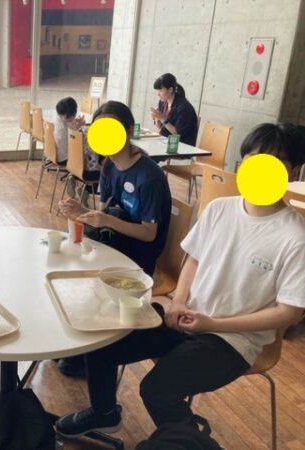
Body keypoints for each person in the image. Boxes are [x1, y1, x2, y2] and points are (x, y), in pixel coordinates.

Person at [55, 122, 305, 439]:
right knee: (102, 339)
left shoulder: (294, 236)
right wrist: (178, 302)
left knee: (157, 390)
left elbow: (289, 313)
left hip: (233, 340)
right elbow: (193, 259)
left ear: (293, 172)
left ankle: (192, 443)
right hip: (186, 318)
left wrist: (212, 323)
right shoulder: (220, 209)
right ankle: (104, 413)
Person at [57, 101, 172, 377]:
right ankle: (82, 345)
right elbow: (106, 212)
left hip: (138, 257)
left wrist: (106, 221)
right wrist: (82, 212)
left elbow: (149, 234)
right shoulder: (109, 166)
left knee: (83, 274)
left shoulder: (149, 177)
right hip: (114, 245)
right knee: (66, 264)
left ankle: (94, 349)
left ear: (129, 131)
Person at [150, 73, 199, 146]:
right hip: (166, 142)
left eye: (160, 90)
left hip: (182, 146)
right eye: (157, 91)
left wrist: (162, 118)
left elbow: (177, 134)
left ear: (170, 90)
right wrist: (157, 118)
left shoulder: (184, 107)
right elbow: (161, 127)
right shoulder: (162, 103)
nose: (158, 94)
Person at [54, 97, 85, 164]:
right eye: (69, 116)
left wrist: (74, 122)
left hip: (58, 154)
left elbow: (69, 125)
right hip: (65, 158)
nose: (72, 117)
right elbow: (74, 140)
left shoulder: (58, 119)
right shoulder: (62, 129)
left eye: (73, 115)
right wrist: (79, 126)